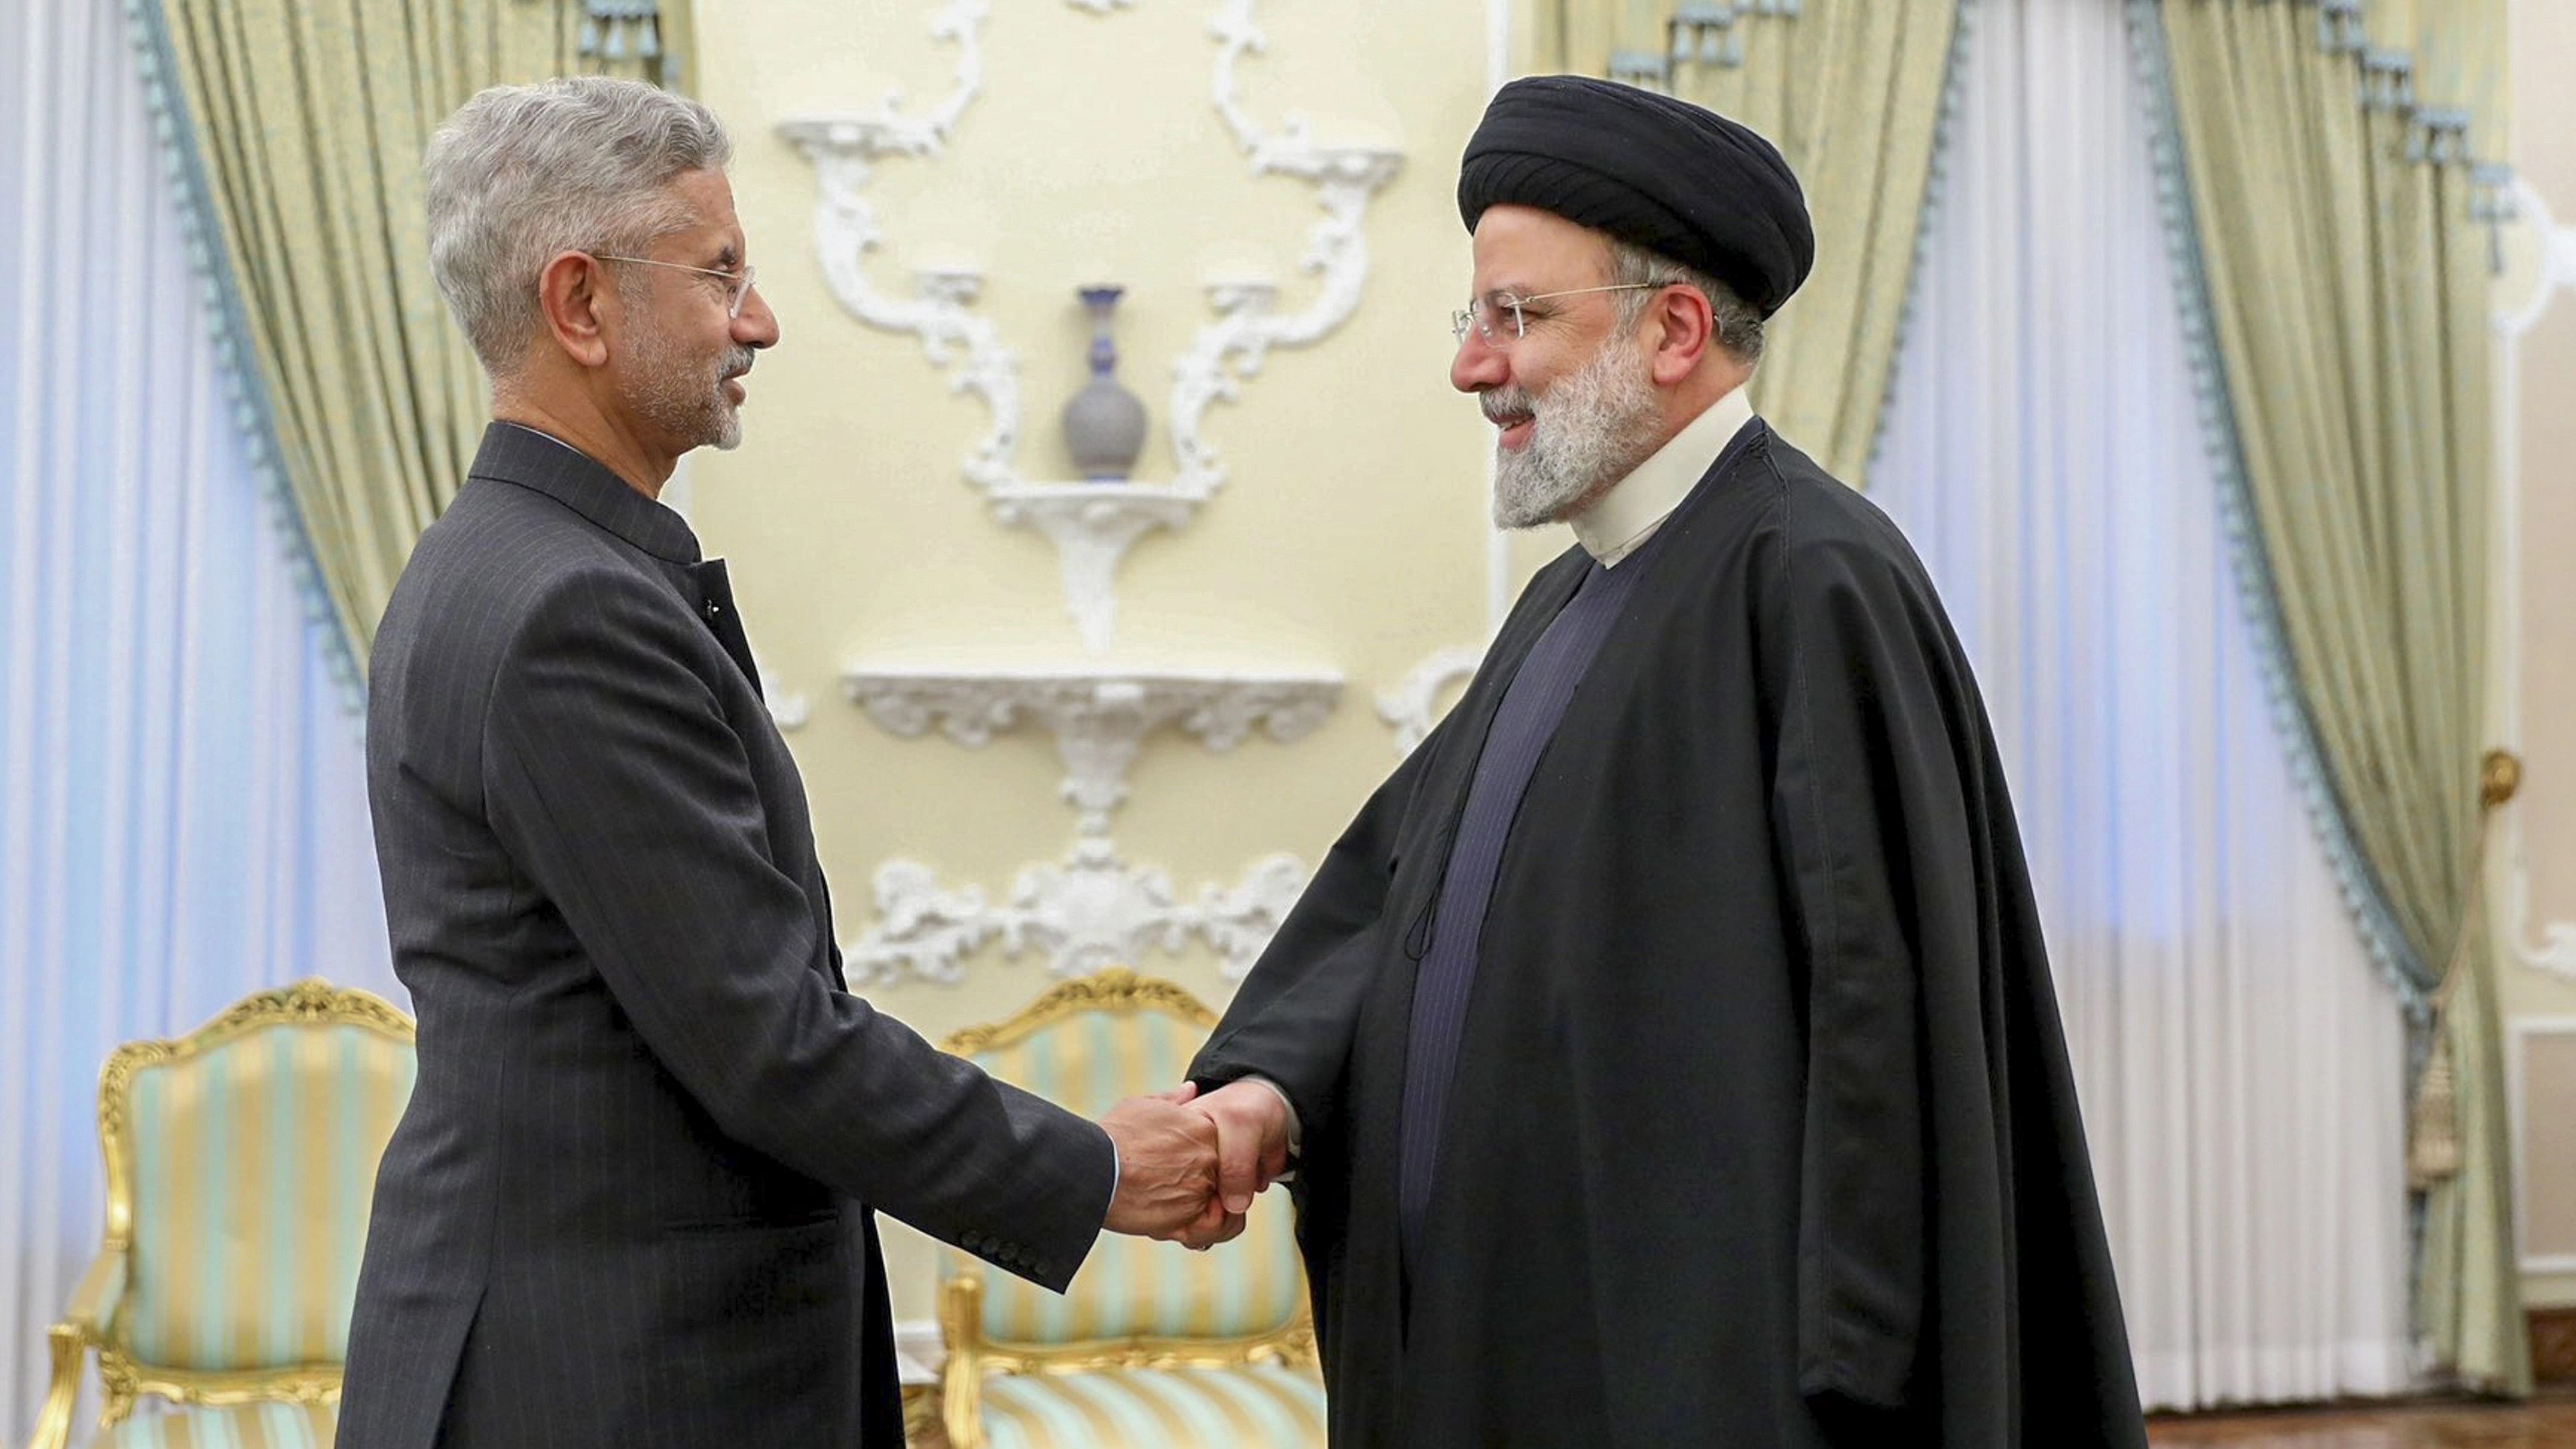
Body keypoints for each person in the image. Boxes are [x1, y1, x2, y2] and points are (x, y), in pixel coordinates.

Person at [1180, 75, 2149, 1446]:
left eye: (1516, 319)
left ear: (1676, 329)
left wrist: (1847, 1382)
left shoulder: (1816, 582)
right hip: (1496, 1355)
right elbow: (1404, 906)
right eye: (1477, 320)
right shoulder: (1568, 601)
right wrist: (1270, 1087)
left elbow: (1884, 1045)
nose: (1473, 365)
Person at [339, 76, 1219, 1448]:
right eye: (721, 275)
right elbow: (770, 1044)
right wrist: (1092, 1168)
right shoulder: (570, 608)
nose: (760, 321)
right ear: (581, 304)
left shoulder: (503, 566)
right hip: (608, 1381)